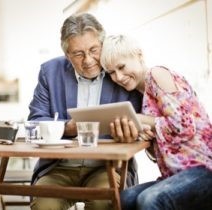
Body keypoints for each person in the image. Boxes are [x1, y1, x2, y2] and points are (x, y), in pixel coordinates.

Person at [28, 13, 144, 210]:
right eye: (78, 54)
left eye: (93, 50)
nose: (88, 60)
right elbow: (36, 120)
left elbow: (140, 120)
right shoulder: (50, 72)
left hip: (105, 168)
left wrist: (131, 132)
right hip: (58, 168)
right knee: (44, 204)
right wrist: (67, 128)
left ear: (102, 45)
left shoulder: (119, 73)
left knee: (104, 200)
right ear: (67, 55)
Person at [100, 34, 212, 210]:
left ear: (139, 55)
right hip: (174, 175)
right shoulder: (141, 97)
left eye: (121, 67)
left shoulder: (157, 74)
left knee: (150, 200)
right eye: (112, 73)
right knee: (124, 199)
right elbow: (159, 153)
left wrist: (142, 120)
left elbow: (184, 125)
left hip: (204, 169)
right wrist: (145, 136)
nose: (119, 77)